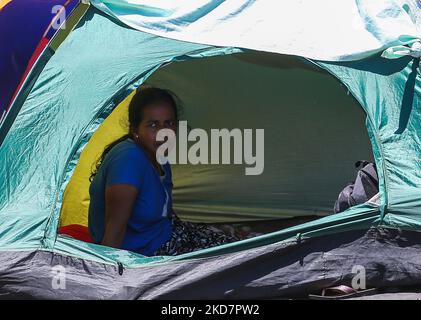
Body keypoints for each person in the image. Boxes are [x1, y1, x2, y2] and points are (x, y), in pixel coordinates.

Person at [88, 87, 239, 256]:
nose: (163, 133)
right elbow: (113, 235)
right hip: (146, 253)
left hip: (166, 233)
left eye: (169, 123)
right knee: (233, 259)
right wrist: (110, 278)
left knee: (241, 246)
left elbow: (162, 208)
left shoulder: (158, 154)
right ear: (135, 129)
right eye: (153, 125)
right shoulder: (128, 160)